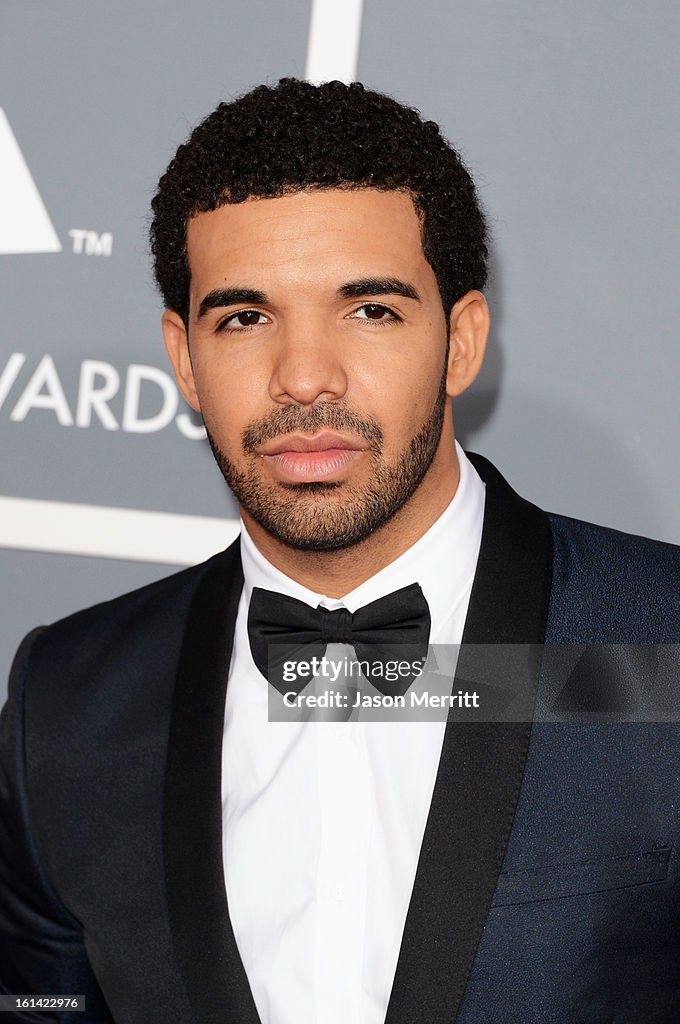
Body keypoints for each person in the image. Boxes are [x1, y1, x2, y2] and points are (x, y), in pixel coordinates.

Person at [1, 78, 679, 1024]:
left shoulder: (661, 648)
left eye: (370, 310)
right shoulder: (66, 703)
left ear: (462, 341)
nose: (303, 376)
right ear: (184, 360)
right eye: (245, 318)